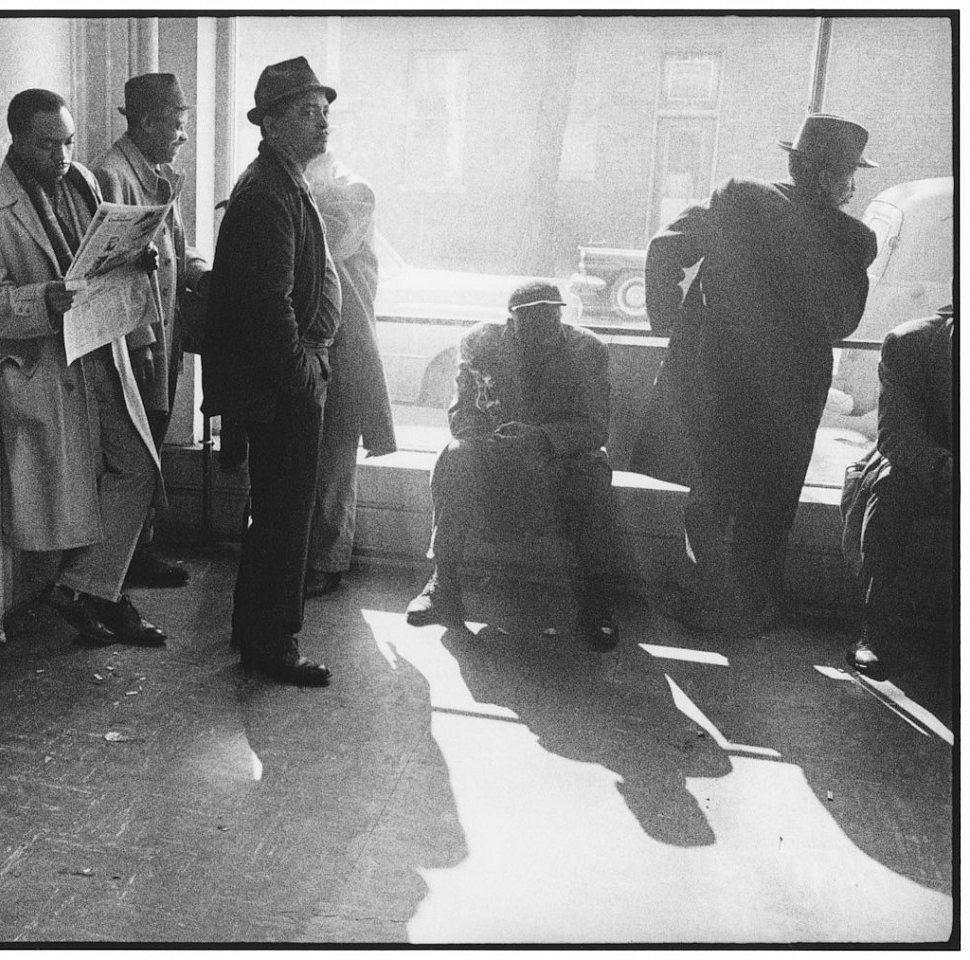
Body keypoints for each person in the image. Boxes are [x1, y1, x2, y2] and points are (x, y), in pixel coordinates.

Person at [641, 114, 879, 633]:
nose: (853, 188)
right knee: (771, 501)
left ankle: (708, 597)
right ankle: (756, 606)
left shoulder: (738, 196)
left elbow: (664, 249)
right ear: (827, 177)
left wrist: (669, 327)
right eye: (849, 175)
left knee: (709, 491)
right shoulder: (852, 238)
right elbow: (841, 324)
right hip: (792, 389)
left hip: (719, 374)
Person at [0, 89, 168, 649]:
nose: (62, 156)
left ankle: (86, 587)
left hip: (101, 348)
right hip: (49, 367)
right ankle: (103, 595)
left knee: (138, 469)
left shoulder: (85, 185)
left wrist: (135, 256)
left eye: (68, 142)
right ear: (17, 141)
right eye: (48, 145)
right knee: (92, 483)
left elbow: (98, 258)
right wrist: (40, 300)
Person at [202, 56, 342, 686]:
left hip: (284, 380)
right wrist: (302, 376)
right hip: (283, 385)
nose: (323, 122)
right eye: (309, 111)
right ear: (274, 122)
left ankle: (253, 628)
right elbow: (267, 306)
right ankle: (274, 642)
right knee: (286, 514)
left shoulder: (283, 180)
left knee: (276, 509)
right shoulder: (267, 192)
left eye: (325, 110)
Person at [406, 282, 622, 649]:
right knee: (454, 456)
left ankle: (597, 598)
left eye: (552, 315)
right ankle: (443, 583)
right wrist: (493, 442)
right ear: (512, 321)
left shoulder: (586, 350)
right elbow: (462, 413)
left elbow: (594, 426)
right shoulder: (482, 343)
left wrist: (541, 438)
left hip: (561, 458)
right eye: (533, 318)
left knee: (594, 474)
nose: (545, 326)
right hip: (497, 450)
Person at [94, 72, 212, 589]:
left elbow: (172, 252)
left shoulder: (158, 172)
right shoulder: (112, 176)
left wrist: (207, 271)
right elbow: (112, 272)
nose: (182, 135)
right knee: (136, 452)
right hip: (141, 339)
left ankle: (139, 550)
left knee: (153, 440)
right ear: (145, 122)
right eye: (177, 124)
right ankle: (128, 559)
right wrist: (141, 340)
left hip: (167, 331)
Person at [301, 152, 397, 599]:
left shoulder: (354, 192)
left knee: (335, 454)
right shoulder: (287, 186)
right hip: (298, 336)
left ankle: (328, 559)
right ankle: (295, 554)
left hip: (344, 339)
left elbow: (329, 244)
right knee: (293, 452)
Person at [841, 304, 955, 678]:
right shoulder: (908, 345)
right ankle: (872, 632)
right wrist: (943, 467)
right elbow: (896, 436)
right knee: (890, 491)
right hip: (924, 467)